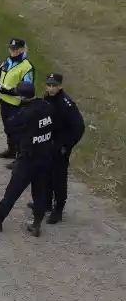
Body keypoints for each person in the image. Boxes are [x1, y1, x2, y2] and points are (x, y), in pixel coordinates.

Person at [0, 81, 56, 236]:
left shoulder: (26, 114)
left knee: (12, 191)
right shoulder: (47, 107)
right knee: (39, 192)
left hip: (28, 159)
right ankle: (36, 224)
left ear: (22, 97)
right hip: (45, 157)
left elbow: (11, 125)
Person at [0, 38, 35, 161]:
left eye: (15, 49)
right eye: (11, 48)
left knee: (17, 131)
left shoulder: (27, 67)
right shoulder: (7, 61)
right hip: (4, 100)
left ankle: (20, 158)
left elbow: (28, 89)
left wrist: (10, 91)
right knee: (8, 128)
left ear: (22, 49)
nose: (12, 51)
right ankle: (11, 151)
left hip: (17, 104)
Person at [44, 73, 84, 224]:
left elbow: (79, 128)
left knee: (59, 179)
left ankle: (58, 210)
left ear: (60, 86)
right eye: (49, 85)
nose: (51, 88)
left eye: (54, 85)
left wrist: (66, 146)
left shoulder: (66, 104)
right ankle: (46, 203)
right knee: (45, 174)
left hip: (60, 147)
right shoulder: (47, 97)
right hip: (48, 144)